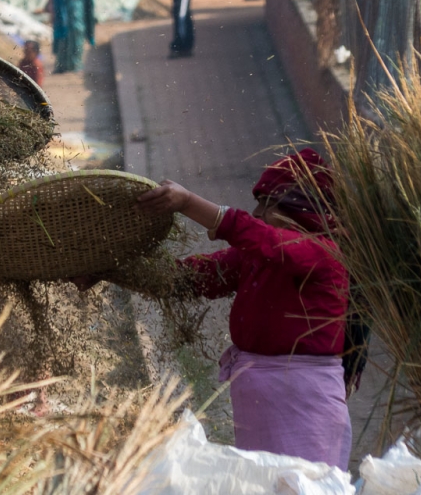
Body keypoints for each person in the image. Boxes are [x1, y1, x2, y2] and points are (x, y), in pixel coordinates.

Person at [74, 149, 352, 470]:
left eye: (268, 204)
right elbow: (187, 279)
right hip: (261, 402)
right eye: (258, 203)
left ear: (301, 210)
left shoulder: (325, 254)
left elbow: (264, 238)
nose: (258, 212)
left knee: (306, 487)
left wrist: (188, 203)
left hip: (304, 404)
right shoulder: (255, 259)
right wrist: (107, 269)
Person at [47, 0, 101, 74]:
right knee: (61, 37)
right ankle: (61, 65)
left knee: (77, 35)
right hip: (61, 11)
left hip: (76, 10)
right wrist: (51, 7)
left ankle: (75, 64)